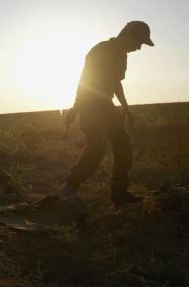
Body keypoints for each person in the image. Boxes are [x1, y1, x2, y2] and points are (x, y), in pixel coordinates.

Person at [60, 21, 154, 205]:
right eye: (139, 42)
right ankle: (68, 188)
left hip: (106, 104)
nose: (139, 48)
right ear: (128, 35)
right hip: (89, 104)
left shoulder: (122, 56)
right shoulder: (99, 50)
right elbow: (84, 82)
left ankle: (119, 195)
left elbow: (116, 83)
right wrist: (76, 108)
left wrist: (126, 108)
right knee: (97, 147)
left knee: (123, 147)